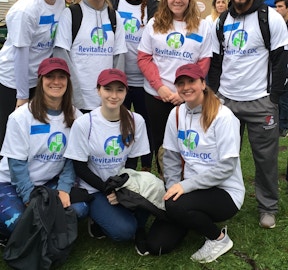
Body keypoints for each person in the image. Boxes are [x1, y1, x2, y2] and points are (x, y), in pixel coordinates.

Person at [208, 0, 288, 229]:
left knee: (265, 159)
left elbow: (280, 61)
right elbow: (216, 61)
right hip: (227, 101)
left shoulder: (271, 19)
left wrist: (273, 98)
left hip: (260, 101)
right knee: (223, 156)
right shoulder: (221, 21)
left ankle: (268, 207)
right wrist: (215, 94)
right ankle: (221, 201)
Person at [146, 63, 245, 263]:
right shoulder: (176, 114)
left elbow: (226, 167)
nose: (186, 87)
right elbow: (172, 157)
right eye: (180, 83)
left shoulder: (223, 116)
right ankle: (187, 214)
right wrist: (171, 188)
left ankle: (218, 239)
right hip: (189, 191)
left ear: (202, 83)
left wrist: (183, 187)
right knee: (157, 245)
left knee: (176, 206)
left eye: (191, 81)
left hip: (225, 192)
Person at [63, 68, 151, 250]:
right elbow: (79, 167)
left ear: (126, 92)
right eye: (108, 89)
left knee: (152, 192)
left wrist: (120, 188)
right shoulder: (85, 123)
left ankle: (140, 228)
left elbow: (133, 161)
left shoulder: (136, 120)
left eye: (120, 90)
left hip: (121, 181)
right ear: (98, 90)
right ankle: (97, 219)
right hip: (94, 188)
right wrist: (106, 190)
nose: (114, 95)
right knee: (124, 231)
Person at [0, 57, 82, 244]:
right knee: (20, 222)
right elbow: (16, 165)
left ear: (68, 82)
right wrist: (30, 198)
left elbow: (72, 158)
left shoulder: (76, 116)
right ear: (40, 81)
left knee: (80, 208)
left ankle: (36, 231)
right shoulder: (20, 117)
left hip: (48, 182)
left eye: (61, 77)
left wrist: (63, 188)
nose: (56, 82)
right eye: (49, 76)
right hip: (9, 183)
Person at [0, 0, 75, 150]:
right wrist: (22, 96)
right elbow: (20, 55)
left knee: (32, 131)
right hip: (13, 81)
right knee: (8, 133)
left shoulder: (59, 1)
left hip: (37, 78)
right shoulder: (26, 10)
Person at [137, 0, 212, 173]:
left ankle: (187, 179)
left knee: (188, 140)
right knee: (161, 142)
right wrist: (160, 87)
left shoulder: (202, 26)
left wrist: (186, 92)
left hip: (188, 97)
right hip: (157, 95)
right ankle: (164, 179)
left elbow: (203, 62)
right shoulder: (154, 24)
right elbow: (144, 58)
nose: (177, 0)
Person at [54, 0, 127, 112]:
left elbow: (118, 57)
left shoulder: (114, 17)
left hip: (106, 101)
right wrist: (75, 96)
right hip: (77, 100)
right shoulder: (72, 14)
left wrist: (115, 93)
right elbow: (62, 55)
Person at [109, 0, 159, 171]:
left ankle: (146, 168)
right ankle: (123, 168)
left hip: (146, 81)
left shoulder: (156, 7)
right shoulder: (111, 3)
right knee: (120, 126)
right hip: (118, 80)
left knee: (147, 127)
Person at [275, 0, 288, 137]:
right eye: (276, 6)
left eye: (280, 7)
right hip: (278, 65)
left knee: (284, 99)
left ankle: (283, 127)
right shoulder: (277, 24)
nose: (277, 9)